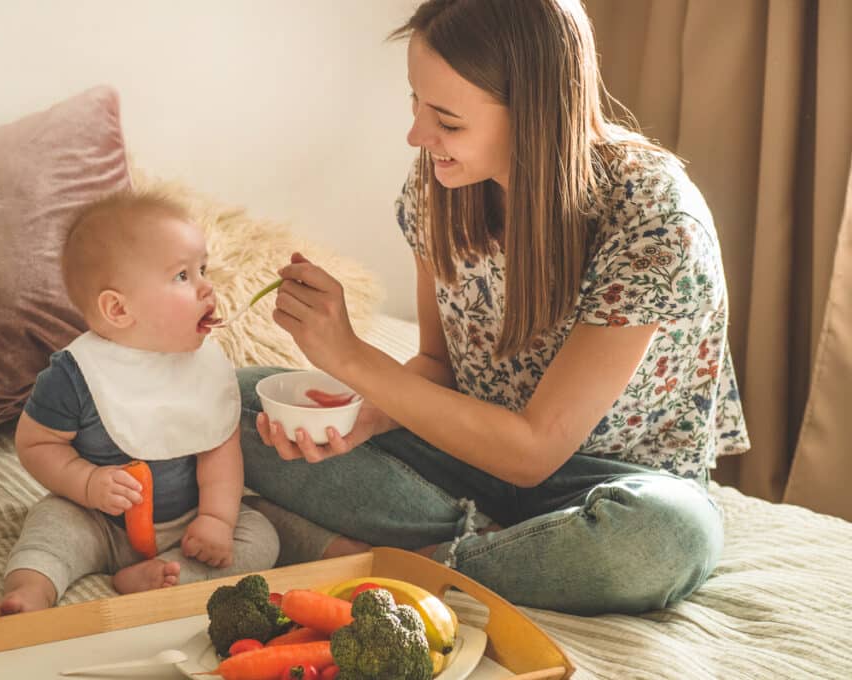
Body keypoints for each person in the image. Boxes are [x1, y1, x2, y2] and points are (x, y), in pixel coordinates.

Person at [238, 0, 750, 615]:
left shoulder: (653, 216)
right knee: (240, 399)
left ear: (536, 115)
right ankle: (498, 551)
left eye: (447, 121)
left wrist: (352, 358)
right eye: (416, 103)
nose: (418, 136)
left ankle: (411, 563)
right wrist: (359, 418)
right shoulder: (438, 184)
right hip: (464, 463)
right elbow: (436, 362)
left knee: (663, 540)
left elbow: (533, 454)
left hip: (609, 487)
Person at [0, 191, 279, 617]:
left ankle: (164, 576)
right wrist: (86, 481)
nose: (206, 286)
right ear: (119, 309)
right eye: (182, 276)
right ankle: (30, 592)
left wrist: (216, 520)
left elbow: (219, 448)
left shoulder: (205, 366)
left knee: (259, 538)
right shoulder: (76, 375)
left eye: (203, 269)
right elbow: (35, 444)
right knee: (51, 529)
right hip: (99, 521)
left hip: (187, 523)